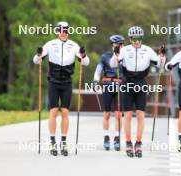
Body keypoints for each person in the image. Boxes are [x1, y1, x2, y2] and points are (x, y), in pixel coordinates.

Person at [33, 21, 90, 156]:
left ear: (68, 32)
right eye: (61, 30)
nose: (63, 33)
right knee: (53, 111)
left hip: (67, 82)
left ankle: (63, 141)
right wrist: (38, 54)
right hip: (53, 81)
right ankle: (53, 141)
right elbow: (36, 61)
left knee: (65, 111)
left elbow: (86, 63)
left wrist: (84, 55)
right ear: (57, 31)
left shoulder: (73, 45)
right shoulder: (50, 44)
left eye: (66, 31)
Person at [110, 26, 166, 158]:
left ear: (142, 38)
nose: (137, 41)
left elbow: (160, 65)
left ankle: (139, 142)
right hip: (128, 82)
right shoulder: (125, 50)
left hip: (141, 82)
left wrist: (162, 55)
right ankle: (128, 142)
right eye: (134, 39)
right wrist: (116, 54)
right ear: (130, 39)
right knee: (128, 115)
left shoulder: (147, 50)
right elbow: (113, 64)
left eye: (139, 38)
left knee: (141, 115)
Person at [92, 35, 125, 151]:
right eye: (118, 44)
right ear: (113, 45)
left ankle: (117, 137)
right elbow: (98, 70)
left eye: (122, 44)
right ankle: (106, 137)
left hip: (120, 85)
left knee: (118, 114)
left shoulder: (125, 56)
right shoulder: (105, 56)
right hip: (107, 84)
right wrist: (95, 81)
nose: (120, 46)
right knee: (107, 114)